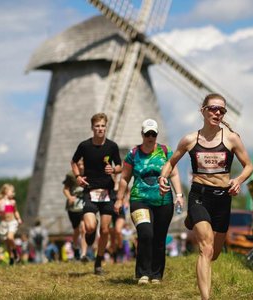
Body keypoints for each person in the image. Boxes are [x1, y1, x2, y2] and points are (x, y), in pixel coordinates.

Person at [158, 93, 253, 299]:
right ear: (203, 110)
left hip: (222, 198)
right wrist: (163, 177)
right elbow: (170, 162)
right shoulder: (190, 140)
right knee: (206, 249)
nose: (217, 112)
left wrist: (237, 181)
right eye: (213, 108)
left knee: (215, 254)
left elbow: (249, 166)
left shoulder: (231, 139)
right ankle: (205, 298)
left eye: (222, 110)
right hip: (199, 195)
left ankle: (195, 220)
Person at [115, 118, 184, 284]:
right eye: (147, 134)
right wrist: (119, 199)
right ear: (142, 134)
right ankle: (143, 273)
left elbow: (173, 174)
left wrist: (179, 195)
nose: (150, 137)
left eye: (153, 134)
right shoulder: (133, 154)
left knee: (159, 238)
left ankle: (156, 274)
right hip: (140, 200)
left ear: (157, 135)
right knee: (146, 233)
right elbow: (124, 178)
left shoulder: (166, 152)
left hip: (163, 200)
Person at [71, 112, 122, 275]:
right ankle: (90, 236)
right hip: (90, 190)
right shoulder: (84, 146)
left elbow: (120, 166)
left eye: (102, 126)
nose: (100, 129)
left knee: (106, 230)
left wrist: (114, 169)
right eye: (97, 126)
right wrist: (78, 176)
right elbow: (73, 161)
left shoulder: (112, 146)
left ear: (106, 127)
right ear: (92, 128)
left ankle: (98, 262)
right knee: (90, 226)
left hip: (107, 192)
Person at [0, 183, 23, 265]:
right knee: (7, 243)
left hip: (12, 222)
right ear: (5, 191)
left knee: (10, 238)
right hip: (4, 224)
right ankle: (11, 258)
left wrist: (18, 218)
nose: (13, 193)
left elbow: (15, 211)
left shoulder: (13, 202)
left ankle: (15, 252)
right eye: (12, 192)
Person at [62, 169, 87, 261]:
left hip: (84, 205)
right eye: (79, 164)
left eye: (82, 164)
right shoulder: (70, 175)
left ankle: (83, 254)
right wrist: (69, 197)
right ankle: (75, 246)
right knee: (76, 230)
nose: (81, 166)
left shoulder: (88, 171)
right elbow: (65, 189)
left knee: (83, 228)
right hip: (73, 207)